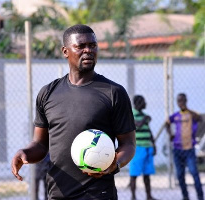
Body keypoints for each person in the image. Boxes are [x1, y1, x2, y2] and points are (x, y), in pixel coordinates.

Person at [11, 24, 136, 199]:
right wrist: (25, 153)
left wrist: (115, 164)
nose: (88, 50)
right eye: (80, 46)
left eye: (92, 45)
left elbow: (128, 144)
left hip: (98, 194)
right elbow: (40, 145)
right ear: (65, 51)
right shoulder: (48, 93)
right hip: (58, 193)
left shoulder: (113, 92)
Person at [166, 93, 204, 200]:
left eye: (182, 101)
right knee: (180, 175)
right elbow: (167, 123)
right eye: (179, 101)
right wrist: (170, 134)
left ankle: (200, 196)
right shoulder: (176, 115)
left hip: (189, 149)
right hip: (177, 149)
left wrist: (187, 109)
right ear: (177, 102)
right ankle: (185, 196)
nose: (181, 103)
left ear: (186, 101)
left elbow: (200, 119)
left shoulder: (192, 114)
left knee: (194, 174)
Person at [129, 95, 157, 200]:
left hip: (147, 147)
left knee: (147, 174)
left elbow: (149, 131)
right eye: (143, 102)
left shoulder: (144, 115)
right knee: (134, 174)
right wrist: (145, 118)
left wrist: (154, 145)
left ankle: (149, 196)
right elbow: (138, 125)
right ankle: (133, 196)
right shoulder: (131, 114)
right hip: (138, 148)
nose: (145, 103)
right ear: (138, 103)